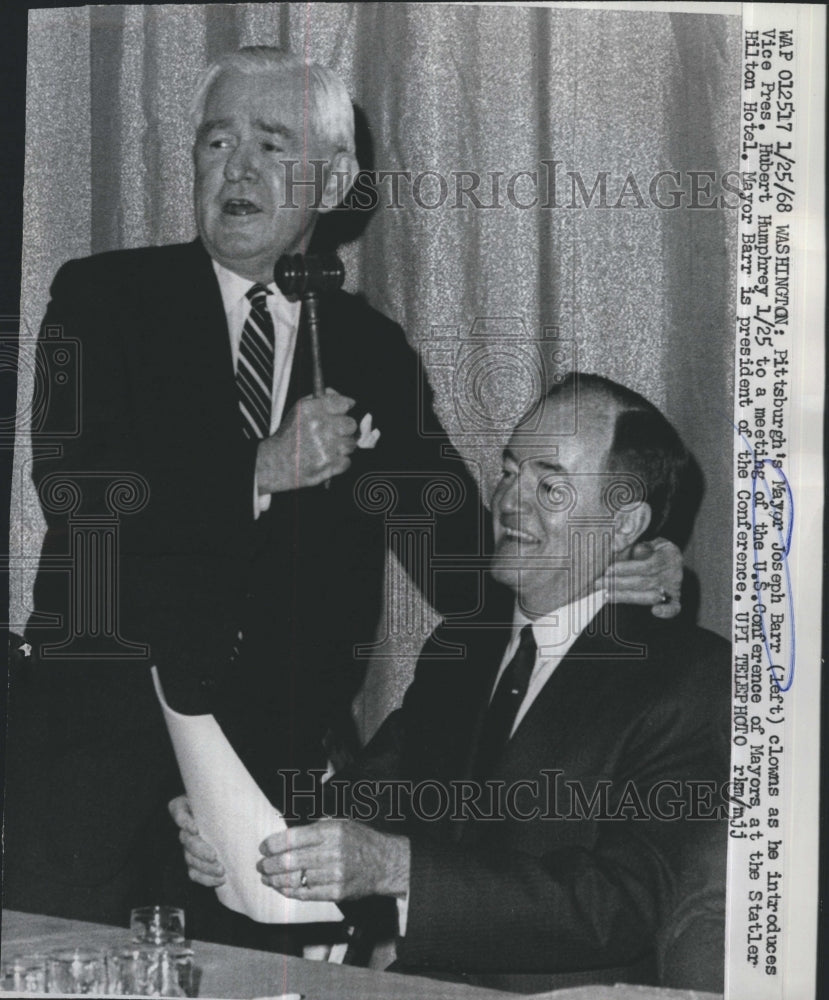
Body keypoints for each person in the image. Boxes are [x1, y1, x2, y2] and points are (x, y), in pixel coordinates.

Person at [4, 45, 681, 942]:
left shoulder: (367, 348)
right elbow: (76, 491)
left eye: (272, 144)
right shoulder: (100, 297)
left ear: (332, 181)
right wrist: (260, 470)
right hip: (92, 759)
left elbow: (459, 567)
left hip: (263, 788)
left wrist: (611, 562)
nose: (236, 168)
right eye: (216, 142)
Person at [174, 372, 730, 991]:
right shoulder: (461, 649)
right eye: (510, 471)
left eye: (550, 485)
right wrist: (245, 834)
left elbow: (623, 903)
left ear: (624, 526)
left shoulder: (687, 678)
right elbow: (368, 801)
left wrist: (400, 870)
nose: (509, 502)